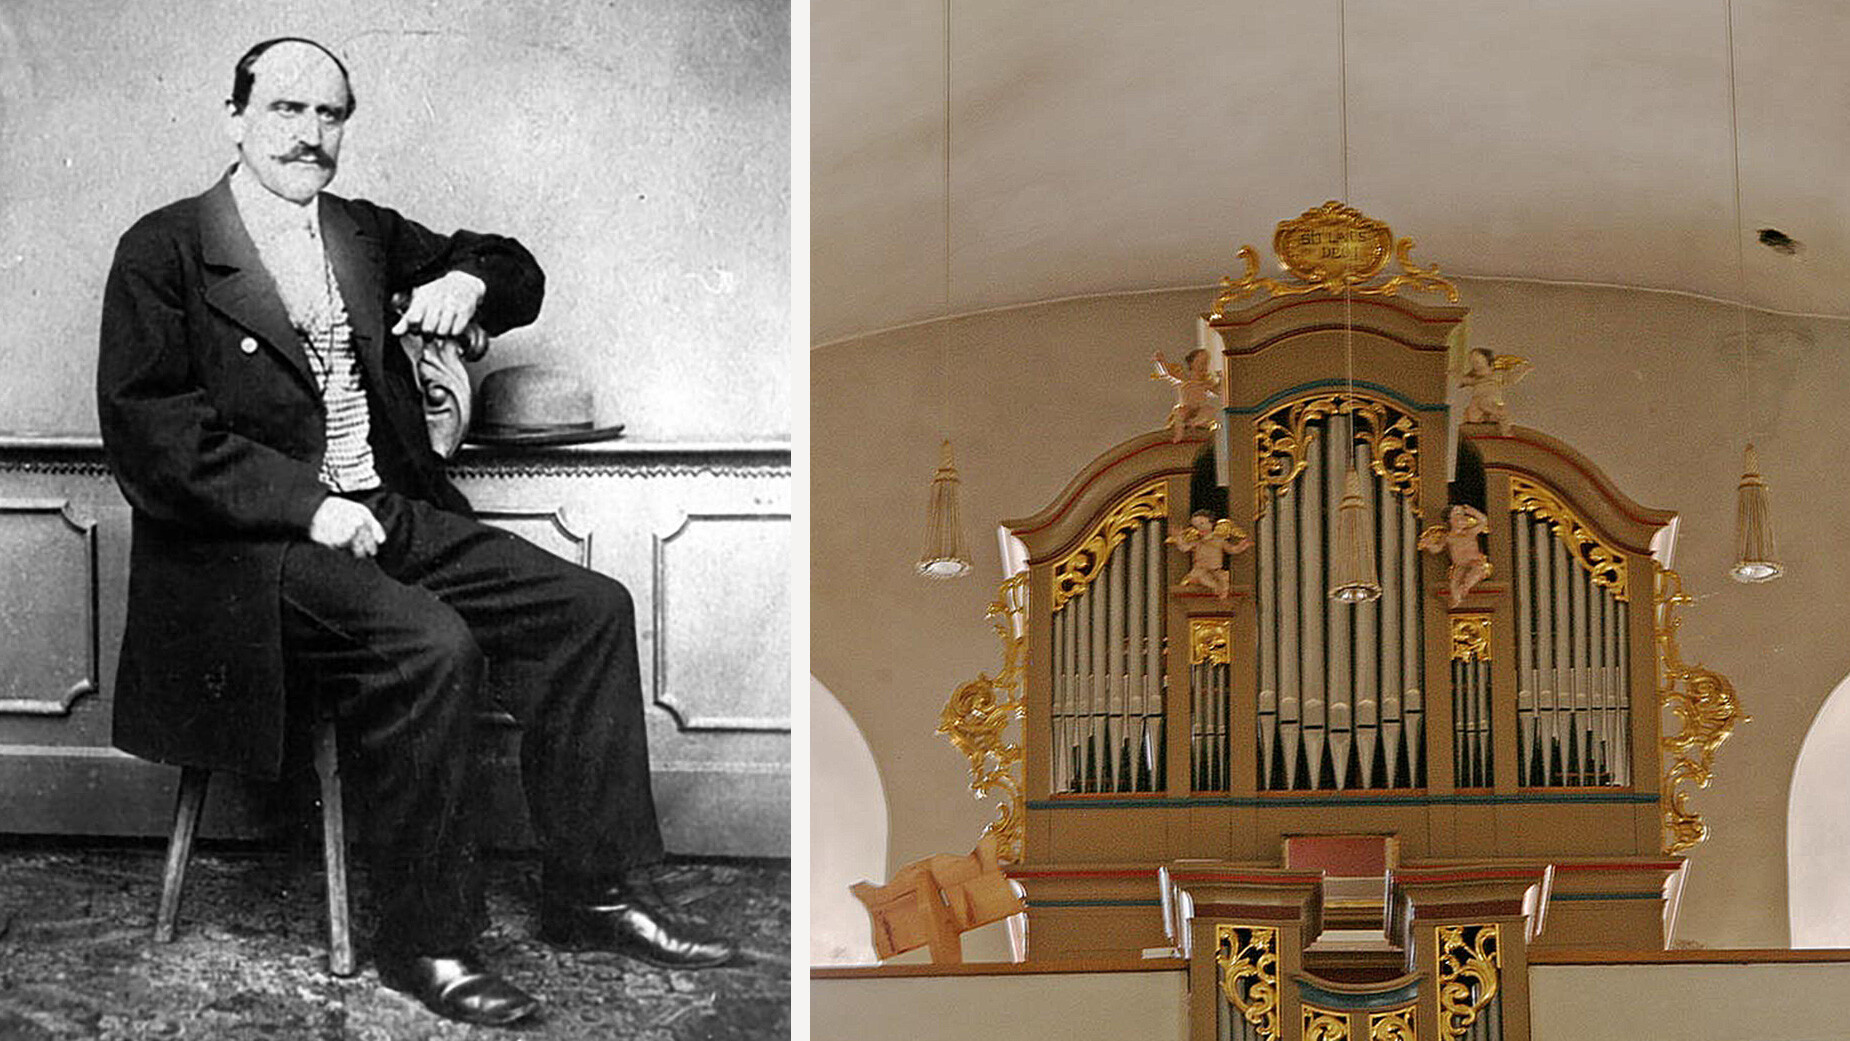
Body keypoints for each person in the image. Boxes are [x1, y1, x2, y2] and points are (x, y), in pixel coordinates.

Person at [96, 38, 731, 1028]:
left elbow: (509, 264)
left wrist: (470, 286)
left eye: (330, 115)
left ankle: (591, 891)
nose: (309, 135)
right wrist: (307, 504)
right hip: (247, 555)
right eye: (284, 111)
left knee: (588, 606)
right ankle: (425, 940)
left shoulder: (360, 232)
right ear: (233, 118)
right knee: (429, 644)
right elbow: (155, 436)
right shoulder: (165, 248)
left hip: (385, 515)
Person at [1418, 504, 1493, 608]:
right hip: (1459, 565)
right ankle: (1456, 600)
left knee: (1478, 569)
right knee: (1453, 584)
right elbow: (1438, 549)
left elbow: (1484, 520)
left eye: (1463, 514)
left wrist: (1473, 511)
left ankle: (1465, 587)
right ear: (1450, 519)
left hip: (1475, 561)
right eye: (1457, 514)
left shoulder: (1470, 532)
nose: (1462, 517)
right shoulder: (1448, 537)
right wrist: (1428, 545)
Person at [1151, 347, 1221, 441]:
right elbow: (1168, 373)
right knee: (1180, 413)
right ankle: (1179, 435)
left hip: (1200, 408)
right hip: (1186, 407)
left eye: (1205, 363)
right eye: (1200, 363)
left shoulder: (1206, 381)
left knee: (1211, 411)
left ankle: (1194, 423)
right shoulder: (1184, 377)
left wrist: (1221, 380)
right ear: (1191, 363)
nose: (1203, 366)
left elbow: (1217, 391)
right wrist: (1161, 362)